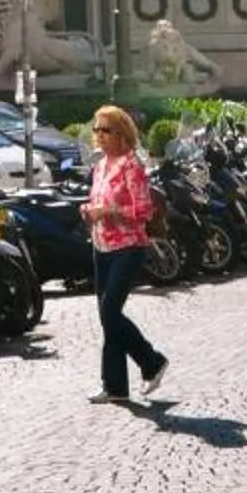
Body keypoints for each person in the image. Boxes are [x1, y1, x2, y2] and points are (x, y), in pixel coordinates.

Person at [80, 105, 169, 405]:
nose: (100, 136)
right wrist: (89, 210)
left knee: (110, 312)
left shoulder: (132, 166)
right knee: (108, 319)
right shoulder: (100, 166)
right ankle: (115, 386)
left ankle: (152, 361)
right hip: (101, 246)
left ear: (121, 133)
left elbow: (144, 211)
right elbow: (97, 200)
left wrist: (109, 210)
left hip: (129, 247)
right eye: (97, 129)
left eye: (106, 130)